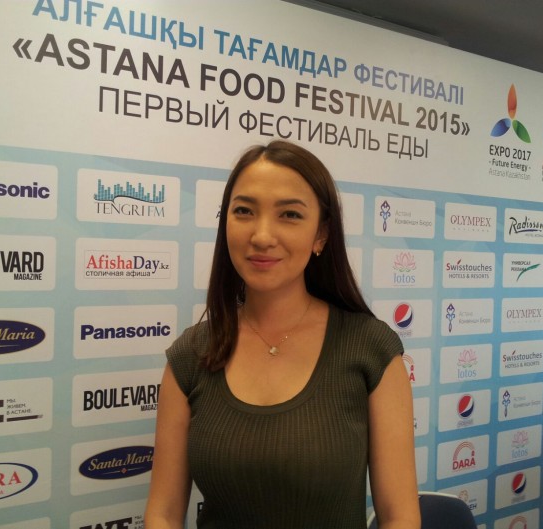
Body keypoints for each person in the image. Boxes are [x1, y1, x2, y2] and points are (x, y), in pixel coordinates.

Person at [144, 140, 420, 529]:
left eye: (289, 214)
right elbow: (163, 514)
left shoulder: (371, 350)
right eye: (244, 211)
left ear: (321, 234)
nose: (261, 235)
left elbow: (399, 517)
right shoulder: (191, 354)